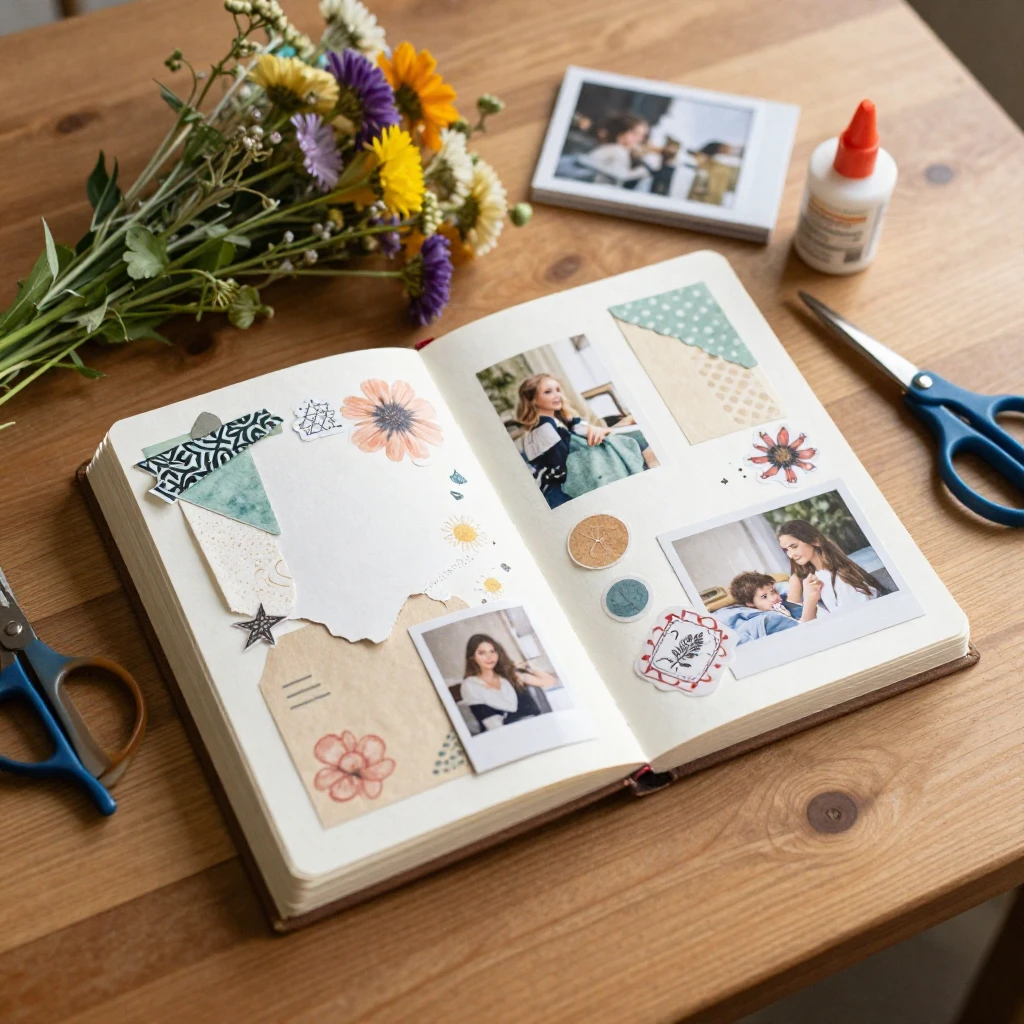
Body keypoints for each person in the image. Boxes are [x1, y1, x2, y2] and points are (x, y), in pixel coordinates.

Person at [516, 373, 652, 508]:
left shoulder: (557, 418)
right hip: (560, 483)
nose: (557, 395)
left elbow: (580, 428)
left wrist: (595, 430)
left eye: (558, 390)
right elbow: (563, 466)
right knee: (636, 439)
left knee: (633, 430)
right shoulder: (542, 428)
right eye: (548, 392)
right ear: (533, 399)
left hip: (576, 465)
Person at [776, 520, 883, 617]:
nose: (791, 555)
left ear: (814, 541)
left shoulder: (841, 578)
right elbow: (791, 619)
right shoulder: (805, 578)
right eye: (786, 550)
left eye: (794, 546)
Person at [459, 634, 558, 731]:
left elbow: (550, 681)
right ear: (472, 657)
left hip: (535, 727)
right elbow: (492, 724)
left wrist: (528, 667)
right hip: (505, 736)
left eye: (492, 651)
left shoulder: (512, 675)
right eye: (482, 653)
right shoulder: (470, 685)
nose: (489, 657)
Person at [578, 114, 657, 189]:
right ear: (622, 132)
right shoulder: (619, 151)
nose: (639, 140)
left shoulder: (610, 148)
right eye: (635, 134)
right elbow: (620, 175)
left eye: (642, 136)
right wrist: (642, 172)